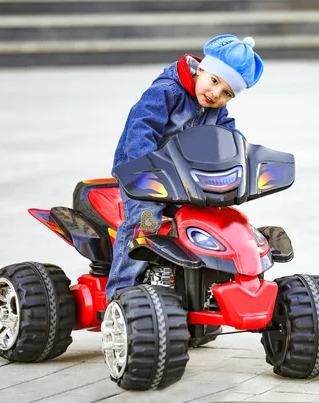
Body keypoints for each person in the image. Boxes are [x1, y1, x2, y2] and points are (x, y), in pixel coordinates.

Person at [107, 34, 264, 300]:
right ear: (201, 69)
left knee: (212, 222)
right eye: (214, 81)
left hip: (186, 181)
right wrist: (145, 168)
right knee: (145, 221)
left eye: (227, 93)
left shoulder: (216, 111)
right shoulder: (166, 91)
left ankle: (200, 288)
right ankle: (121, 291)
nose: (215, 94)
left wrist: (243, 163)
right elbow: (141, 129)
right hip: (143, 178)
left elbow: (230, 140)